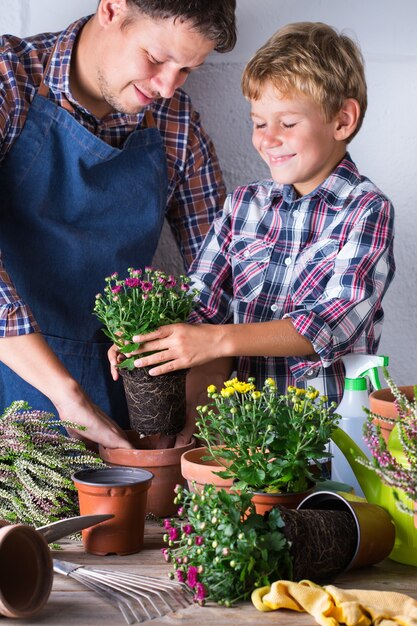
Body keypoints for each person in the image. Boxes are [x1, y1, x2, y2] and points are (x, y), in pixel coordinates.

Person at [110, 22, 395, 443]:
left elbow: (331, 323)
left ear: (342, 120)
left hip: (328, 442)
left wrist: (216, 341)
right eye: (259, 123)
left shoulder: (365, 209)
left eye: (288, 122)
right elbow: (199, 306)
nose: (269, 139)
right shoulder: (243, 205)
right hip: (240, 438)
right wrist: (151, 340)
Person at [0, 0, 236, 448]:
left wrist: (193, 411)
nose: (167, 87)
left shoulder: (176, 124)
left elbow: (221, 281)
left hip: (114, 403)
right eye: (156, 58)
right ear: (111, 9)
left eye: (186, 70)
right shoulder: (10, 81)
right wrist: (68, 397)